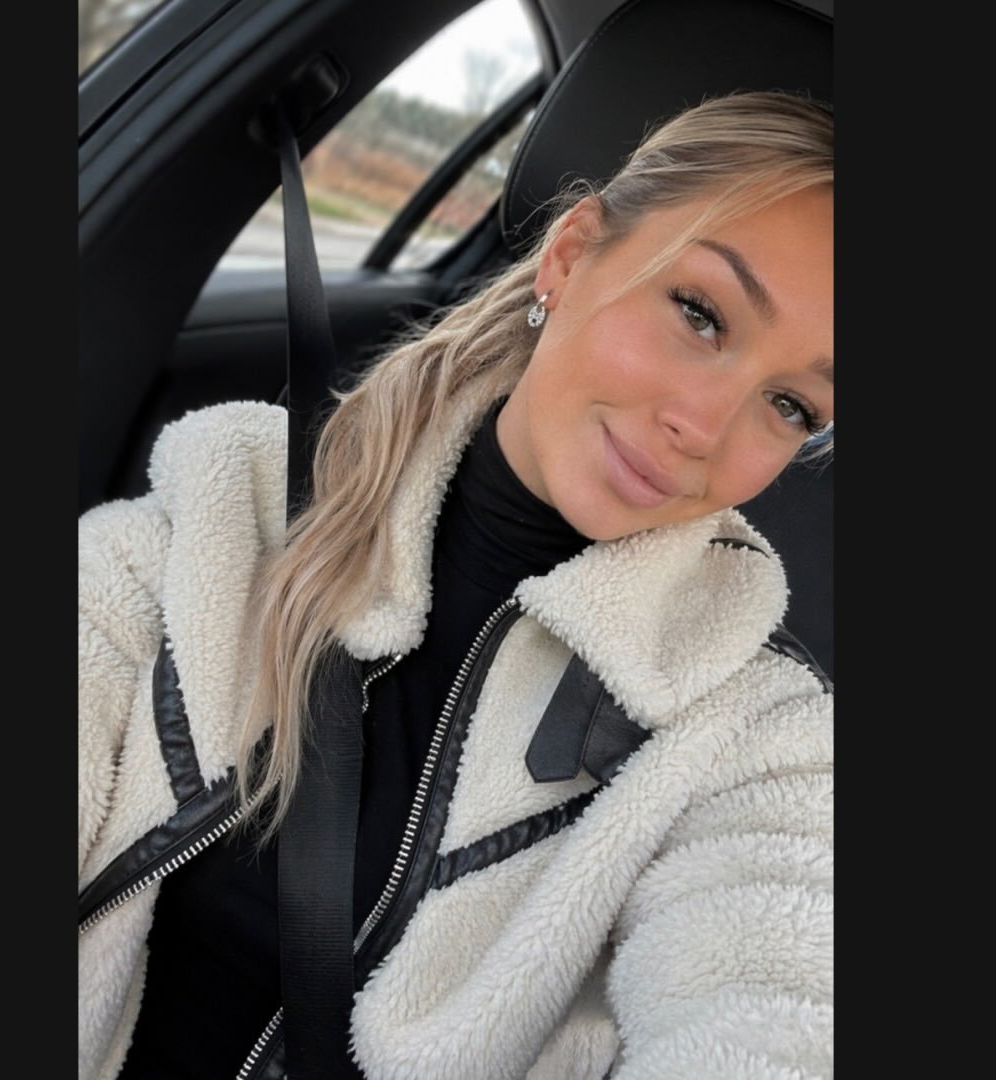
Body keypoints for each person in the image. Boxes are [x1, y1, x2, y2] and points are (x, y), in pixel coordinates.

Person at [79, 89, 833, 1080]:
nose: (704, 424)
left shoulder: (760, 739)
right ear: (570, 257)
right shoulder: (226, 512)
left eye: (791, 405)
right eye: (700, 315)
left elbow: (780, 1002)